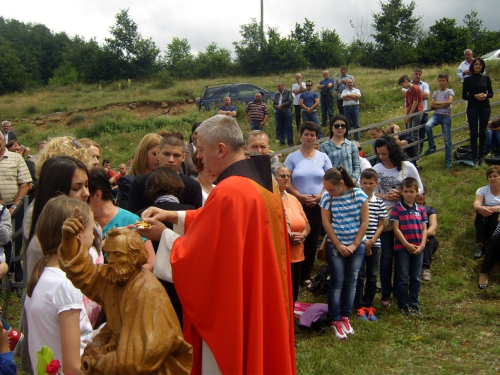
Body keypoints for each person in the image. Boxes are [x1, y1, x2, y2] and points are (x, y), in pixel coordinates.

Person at [139, 114, 295, 374]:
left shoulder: (229, 191)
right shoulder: (262, 182)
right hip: (265, 291)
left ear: (220, 149)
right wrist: (173, 215)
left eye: (200, 150)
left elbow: (199, 256)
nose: (197, 157)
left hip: (237, 306)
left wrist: (163, 236)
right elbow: (219, 222)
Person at [59, 221, 193, 374]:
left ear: (134, 257)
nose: (112, 261)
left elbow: (141, 356)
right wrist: (69, 243)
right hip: (123, 356)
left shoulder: (147, 292)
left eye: (118, 255)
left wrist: (97, 362)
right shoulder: (116, 276)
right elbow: (86, 274)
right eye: (109, 254)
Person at [25, 196, 95, 375]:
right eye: (91, 230)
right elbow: (72, 366)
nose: (94, 236)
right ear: (78, 234)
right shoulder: (65, 284)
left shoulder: (42, 276)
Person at [373, 135, 423, 307]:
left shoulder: (406, 167)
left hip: (406, 217)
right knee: (386, 256)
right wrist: (386, 195)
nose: (382, 157)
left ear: (392, 151)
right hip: (385, 216)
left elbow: (420, 188)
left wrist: (401, 194)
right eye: (379, 154)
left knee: (402, 255)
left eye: (385, 153)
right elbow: (369, 190)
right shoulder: (377, 168)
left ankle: (404, 291)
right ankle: (386, 291)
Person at [320, 166, 369, 339]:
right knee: (337, 282)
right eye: (326, 189)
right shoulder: (327, 198)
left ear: (341, 183)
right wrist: (338, 244)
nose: (329, 192)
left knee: (351, 282)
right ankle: (335, 319)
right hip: (336, 246)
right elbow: (326, 222)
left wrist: (355, 245)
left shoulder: (359, 195)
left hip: (357, 246)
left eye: (331, 189)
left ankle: (345, 316)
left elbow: (364, 222)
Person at [285, 122, 332, 290]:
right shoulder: (292, 157)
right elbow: (285, 179)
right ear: (300, 136)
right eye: (306, 134)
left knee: (312, 241)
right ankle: (293, 273)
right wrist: (298, 195)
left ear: (316, 138)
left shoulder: (323, 157)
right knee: (297, 238)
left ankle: (306, 275)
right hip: (297, 204)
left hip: (318, 204)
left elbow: (330, 179)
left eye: (312, 135)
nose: (309, 137)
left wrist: (320, 196)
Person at [128, 133, 202, 215]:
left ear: (183, 157)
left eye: (176, 155)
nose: (171, 159)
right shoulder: (140, 183)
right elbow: (133, 218)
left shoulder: (192, 186)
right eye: (166, 154)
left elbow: (196, 220)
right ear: (158, 154)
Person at [272, 163, 310, 303]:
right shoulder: (272, 199)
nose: (287, 178)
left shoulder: (293, 199)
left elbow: (307, 224)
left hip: (297, 254)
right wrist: (288, 235)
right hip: (280, 254)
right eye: (282, 176)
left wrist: (303, 235)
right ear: (273, 178)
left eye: (288, 176)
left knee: (293, 292)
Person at [391, 177, 428, 316]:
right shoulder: (397, 209)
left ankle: (414, 303)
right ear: (401, 192)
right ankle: (403, 304)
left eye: (411, 191)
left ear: (416, 192)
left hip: (419, 248)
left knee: (416, 277)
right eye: (406, 191)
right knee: (402, 276)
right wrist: (406, 244)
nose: (408, 194)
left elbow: (424, 229)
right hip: (403, 248)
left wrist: (422, 245)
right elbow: (396, 228)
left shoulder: (421, 210)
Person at [355, 169, 387, 321]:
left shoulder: (379, 202)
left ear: (376, 184)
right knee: (359, 275)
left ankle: (369, 304)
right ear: (360, 183)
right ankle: (359, 305)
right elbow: (357, 223)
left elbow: (381, 224)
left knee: (372, 275)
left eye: (371, 183)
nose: (368, 186)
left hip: (375, 243)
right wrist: (364, 242)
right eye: (365, 183)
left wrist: (372, 241)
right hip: (360, 243)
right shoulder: (357, 201)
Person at [462, 57, 493, 166]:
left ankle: (482, 156)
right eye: (476, 64)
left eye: (480, 64)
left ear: (482, 66)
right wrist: (475, 96)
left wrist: (485, 95)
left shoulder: (486, 78)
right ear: (473, 66)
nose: (478, 66)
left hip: (485, 107)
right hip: (472, 108)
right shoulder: (467, 79)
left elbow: (491, 93)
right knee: (474, 133)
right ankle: (474, 157)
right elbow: (464, 96)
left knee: (483, 132)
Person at [424, 74, 455, 169]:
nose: (441, 83)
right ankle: (432, 145)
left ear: (447, 82)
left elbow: (449, 102)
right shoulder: (436, 93)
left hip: (446, 116)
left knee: (447, 140)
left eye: (443, 81)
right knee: (427, 126)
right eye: (440, 81)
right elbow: (432, 105)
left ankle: (448, 161)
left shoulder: (449, 91)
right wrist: (442, 104)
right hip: (437, 115)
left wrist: (438, 103)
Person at [319, 115, 361, 182]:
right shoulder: (324, 146)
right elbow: (322, 168)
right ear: (331, 128)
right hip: (333, 184)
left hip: (350, 184)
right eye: (336, 126)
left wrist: (353, 180)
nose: (340, 128)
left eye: (343, 126)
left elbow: (357, 167)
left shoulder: (352, 145)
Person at [473, 165, 500, 259]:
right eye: (490, 176)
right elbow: (476, 204)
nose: (492, 178)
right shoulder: (482, 190)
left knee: (496, 214)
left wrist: (494, 209)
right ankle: (480, 245)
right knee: (479, 213)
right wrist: (480, 208)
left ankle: (490, 243)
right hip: (485, 215)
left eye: (495, 176)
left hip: (497, 216)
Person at [404, 68, 430, 153]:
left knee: (421, 132)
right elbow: (405, 95)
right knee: (410, 132)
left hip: (423, 111)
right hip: (410, 112)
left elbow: (427, 96)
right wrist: (420, 94)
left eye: (419, 74)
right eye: (416, 74)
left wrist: (417, 95)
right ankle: (412, 152)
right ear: (412, 75)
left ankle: (418, 153)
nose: (418, 76)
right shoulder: (407, 85)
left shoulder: (424, 84)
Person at [415, 186, 438, 281]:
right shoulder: (407, 208)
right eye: (419, 194)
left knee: (431, 240)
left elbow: (433, 227)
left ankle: (425, 268)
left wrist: (423, 237)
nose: (421, 196)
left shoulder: (429, 210)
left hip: (426, 237)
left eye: (423, 194)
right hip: (411, 236)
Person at [398, 75, 423, 156]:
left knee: (414, 133)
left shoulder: (415, 88)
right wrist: (406, 116)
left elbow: (415, 102)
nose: (403, 87)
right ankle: (410, 152)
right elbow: (407, 105)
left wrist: (409, 115)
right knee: (409, 133)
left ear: (406, 81)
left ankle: (416, 154)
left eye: (402, 84)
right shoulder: (408, 92)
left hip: (416, 112)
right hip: (411, 113)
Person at [273, 82, 294, 147]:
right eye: (278, 87)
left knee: (289, 127)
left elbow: (289, 101)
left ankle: (290, 142)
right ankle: (282, 142)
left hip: (287, 111)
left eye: (280, 86)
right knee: (280, 127)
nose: (278, 88)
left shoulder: (288, 92)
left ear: (283, 86)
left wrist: (282, 106)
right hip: (279, 111)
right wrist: (277, 107)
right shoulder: (276, 94)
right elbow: (274, 104)